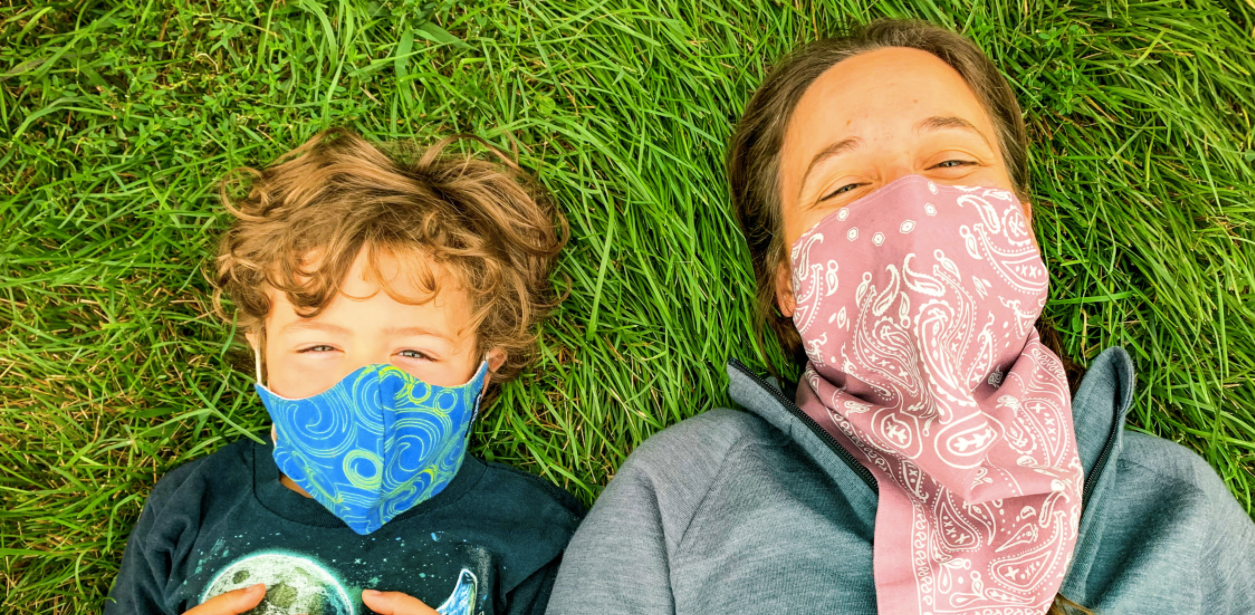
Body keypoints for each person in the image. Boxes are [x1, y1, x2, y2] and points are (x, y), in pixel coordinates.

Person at [546, 19, 1255, 615]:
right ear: (789, 280)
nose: (909, 210)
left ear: (1022, 225)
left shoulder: (1180, 516)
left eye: (950, 161)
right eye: (845, 186)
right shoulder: (678, 499)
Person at [105, 129, 582, 615]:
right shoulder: (194, 506)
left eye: (415, 353)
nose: (366, 388)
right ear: (262, 352)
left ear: (484, 371)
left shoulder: (533, 532)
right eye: (319, 345)